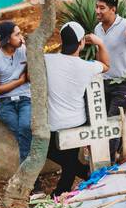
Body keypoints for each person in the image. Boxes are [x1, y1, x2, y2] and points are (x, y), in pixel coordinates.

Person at [44, 21, 109, 196]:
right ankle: (77, 180)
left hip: (52, 123)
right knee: (70, 161)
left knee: (59, 157)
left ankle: (63, 190)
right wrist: (100, 43)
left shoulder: (46, 60)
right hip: (75, 123)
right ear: (81, 43)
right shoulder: (87, 67)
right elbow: (106, 65)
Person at [0, 21, 32, 162]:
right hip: (4, 102)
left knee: (25, 126)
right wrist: (19, 81)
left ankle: (27, 176)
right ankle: (30, 175)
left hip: (25, 98)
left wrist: (31, 52)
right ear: (6, 39)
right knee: (23, 131)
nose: (21, 37)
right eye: (17, 34)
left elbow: (31, 77)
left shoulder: (24, 50)